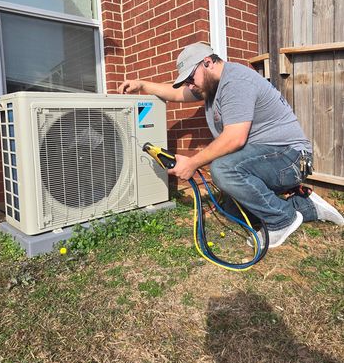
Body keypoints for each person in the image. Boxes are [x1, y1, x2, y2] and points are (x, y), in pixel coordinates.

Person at [118, 42, 344, 247]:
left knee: (223, 168)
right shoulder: (209, 86)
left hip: (292, 158)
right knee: (230, 209)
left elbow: (235, 138)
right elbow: (175, 93)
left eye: (190, 78)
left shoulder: (236, 81)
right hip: (274, 157)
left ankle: (282, 220)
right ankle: (307, 207)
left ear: (207, 62)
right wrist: (142, 84)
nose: (190, 85)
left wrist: (192, 162)